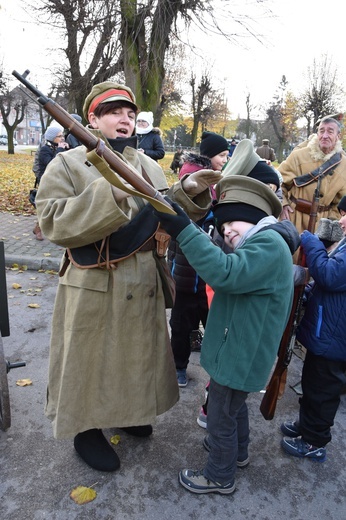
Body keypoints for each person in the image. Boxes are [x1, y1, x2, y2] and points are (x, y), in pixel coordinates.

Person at [35, 80, 222, 473]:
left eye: (130, 114)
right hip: (95, 281)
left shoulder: (149, 164)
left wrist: (188, 189)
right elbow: (53, 222)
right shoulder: (66, 164)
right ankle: (84, 428)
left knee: (135, 356)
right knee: (89, 361)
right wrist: (114, 191)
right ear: (93, 118)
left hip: (142, 276)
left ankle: (128, 409)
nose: (125, 119)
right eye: (115, 112)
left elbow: (165, 209)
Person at [153, 174, 299, 495]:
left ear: (253, 217)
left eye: (232, 221)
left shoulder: (268, 245)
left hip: (239, 354)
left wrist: (184, 231)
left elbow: (225, 273)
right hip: (242, 351)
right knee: (233, 408)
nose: (226, 230)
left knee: (219, 414)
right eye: (222, 226)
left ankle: (220, 474)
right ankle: (238, 453)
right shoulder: (263, 243)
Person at [196, 138, 283, 429]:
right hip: (226, 311)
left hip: (234, 322)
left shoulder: (260, 236)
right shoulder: (237, 226)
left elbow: (227, 274)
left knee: (225, 400)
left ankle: (220, 467)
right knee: (225, 389)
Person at [280, 195, 346, 462]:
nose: (341, 220)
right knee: (312, 383)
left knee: (322, 391)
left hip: (334, 338)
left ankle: (315, 441)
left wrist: (310, 240)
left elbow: (330, 275)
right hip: (327, 332)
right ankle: (307, 425)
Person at [169, 131, 230, 387]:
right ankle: (178, 367)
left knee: (213, 323)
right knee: (182, 324)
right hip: (186, 273)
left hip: (209, 275)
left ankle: (215, 369)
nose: (225, 161)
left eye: (227, 156)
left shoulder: (219, 183)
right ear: (208, 156)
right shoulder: (190, 179)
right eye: (222, 156)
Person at [279, 117, 346, 239]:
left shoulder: (344, 165)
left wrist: (330, 223)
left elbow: (340, 203)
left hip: (321, 227)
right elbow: (279, 182)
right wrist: (282, 205)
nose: (324, 135)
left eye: (330, 131)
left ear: (338, 136)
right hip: (293, 219)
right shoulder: (298, 156)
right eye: (321, 131)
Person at [32, 126, 67, 240]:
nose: (62, 138)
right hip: (46, 182)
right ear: (52, 138)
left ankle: (56, 230)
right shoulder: (45, 149)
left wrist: (67, 150)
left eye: (62, 135)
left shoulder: (58, 147)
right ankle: (38, 228)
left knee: (58, 205)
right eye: (59, 136)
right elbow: (51, 164)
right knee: (47, 206)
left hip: (58, 180)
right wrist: (60, 150)